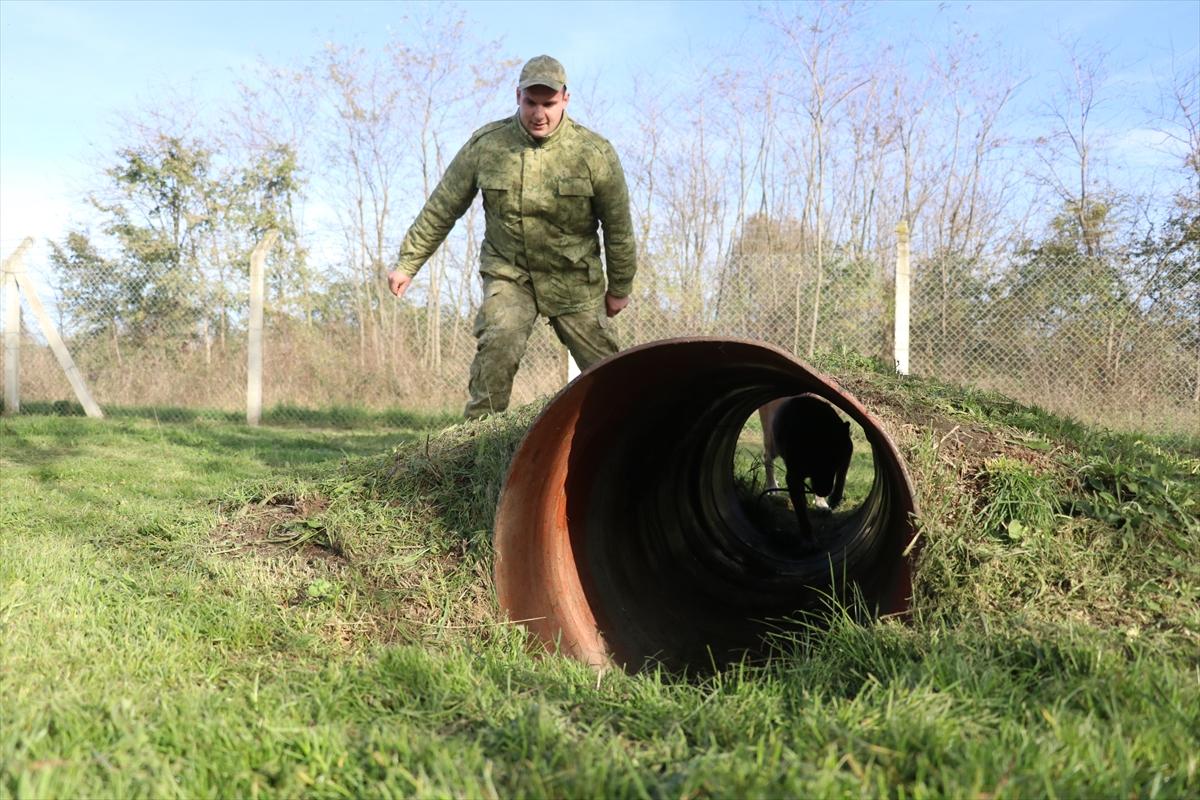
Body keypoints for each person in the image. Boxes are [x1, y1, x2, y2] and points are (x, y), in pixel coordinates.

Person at [387, 55, 638, 419]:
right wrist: (408, 263)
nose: (539, 113)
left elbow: (618, 227)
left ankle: (633, 437)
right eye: (531, 102)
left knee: (609, 372)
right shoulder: (488, 145)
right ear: (518, 96)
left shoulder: (593, 153)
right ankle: (477, 444)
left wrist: (620, 286)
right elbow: (443, 206)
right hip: (509, 273)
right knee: (498, 346)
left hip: (573, 278)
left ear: (565, 99)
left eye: (549, 104)